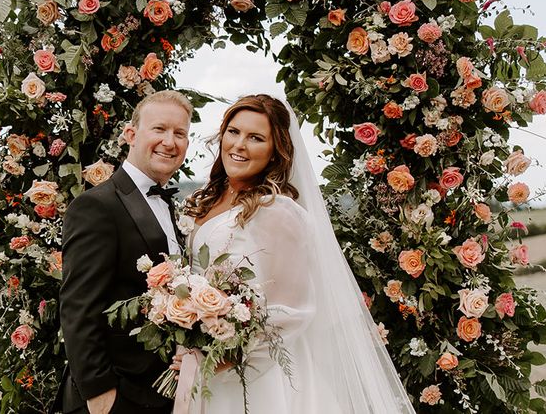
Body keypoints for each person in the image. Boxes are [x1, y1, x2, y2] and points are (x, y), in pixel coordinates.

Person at [172, 94, 415, 413]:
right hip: (201, 368)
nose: (239, 145)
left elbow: (290, 312)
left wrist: (221, 359)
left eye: (256, 138)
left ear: (275, 152)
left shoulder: (277, 213)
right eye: (234, 131)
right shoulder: (204, 200)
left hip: (256, 382)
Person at [57, 90, 193, 414]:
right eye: (159, 129)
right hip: (116, 397)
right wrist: (101, 397)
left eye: (180, 133)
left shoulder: (169, 205)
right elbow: (78, 309)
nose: (169, 142)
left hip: (160, 395)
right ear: (130, 135)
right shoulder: (96, 206)